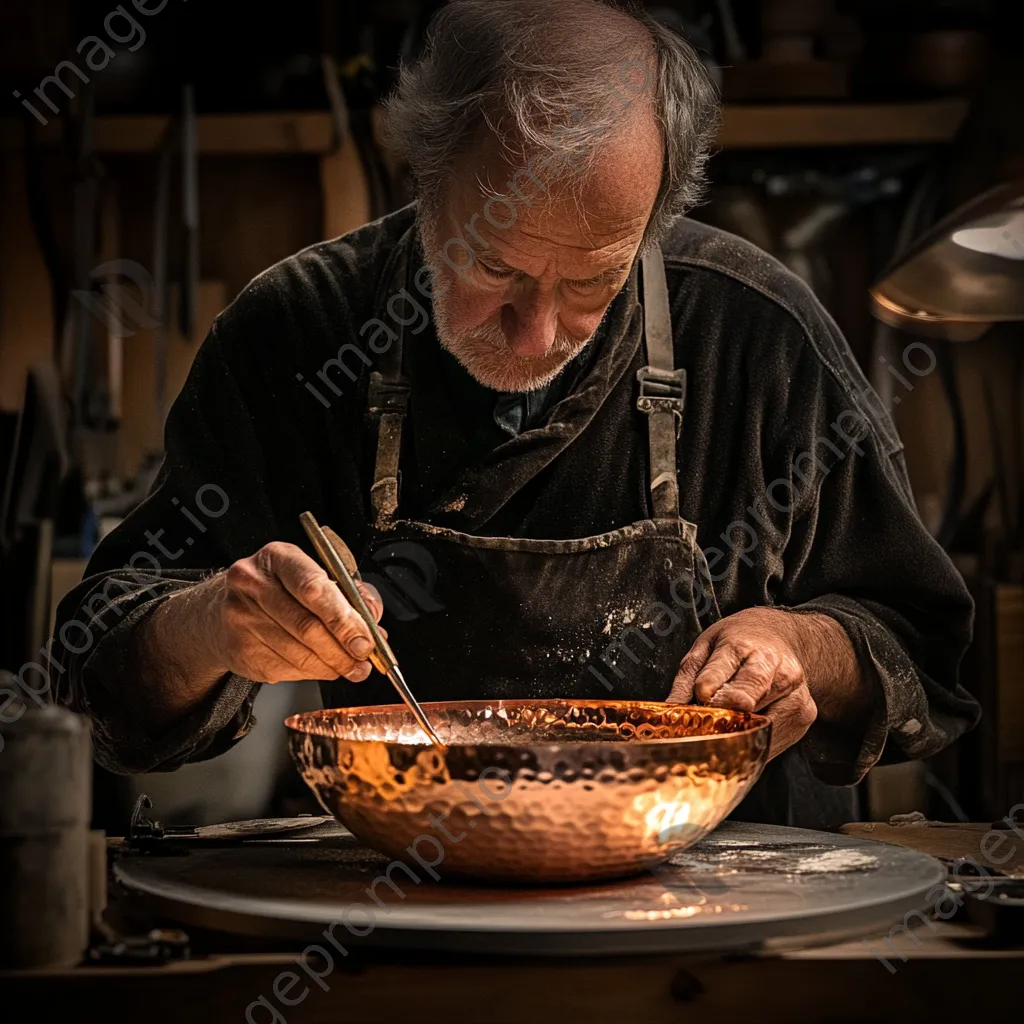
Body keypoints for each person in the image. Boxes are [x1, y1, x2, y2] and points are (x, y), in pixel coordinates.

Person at [53, 0, 979, 828]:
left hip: (716, 909)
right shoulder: (297, 331)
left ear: (656, 218)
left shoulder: (757, 332)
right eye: (494, 267)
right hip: (388, 907)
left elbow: (924, 655)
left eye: (592, 282)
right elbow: (99, 666)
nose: (536, 334)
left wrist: (802, 646)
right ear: (423, 172)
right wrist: (211, 626)